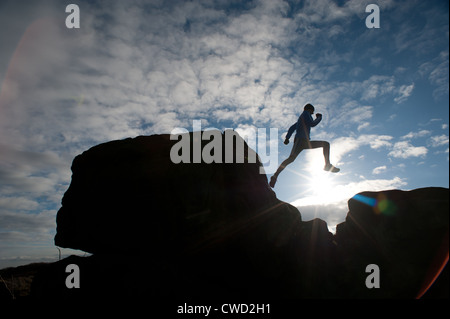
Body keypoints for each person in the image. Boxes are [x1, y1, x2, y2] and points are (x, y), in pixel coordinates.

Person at [269, 103, 340, 188]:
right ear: (309, 109)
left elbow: (292, 128)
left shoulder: (301, 118)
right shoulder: (306, 113)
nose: (312, 114)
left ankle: (327, 165)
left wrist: (287, 138)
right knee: (290, 159)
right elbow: (312, 124)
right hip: (300, 141)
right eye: (312, 112)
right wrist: (319, 117)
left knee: (325, 144)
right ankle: (275, 175)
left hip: (304, 142)